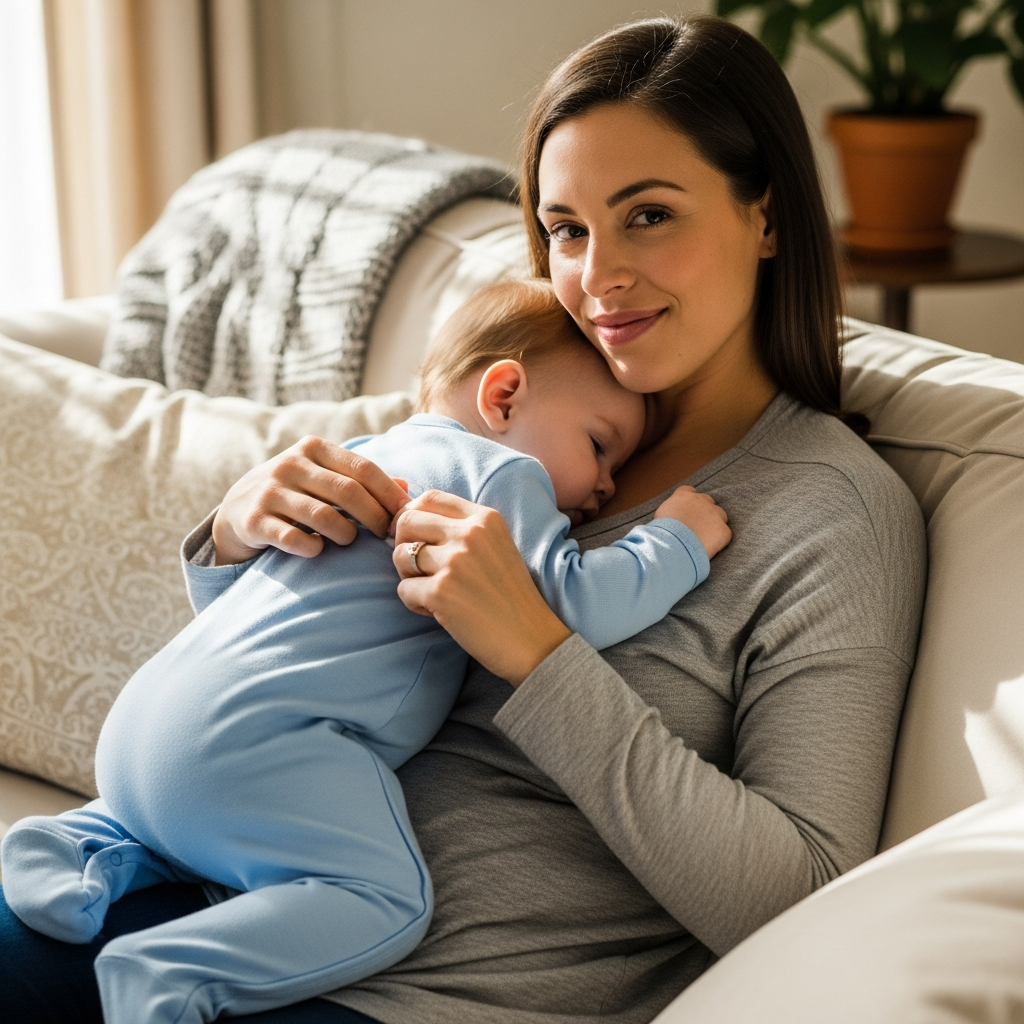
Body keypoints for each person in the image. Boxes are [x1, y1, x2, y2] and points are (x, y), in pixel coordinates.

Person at [0, 14, 926, 1024]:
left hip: (418, 994)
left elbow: (801, 895)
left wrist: (539, 653)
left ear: (766, 217)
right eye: (567, 229)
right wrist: (240, 537)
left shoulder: (832, 512)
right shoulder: (531, 406)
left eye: (649, 214)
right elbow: (312, 641)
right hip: (204, 880)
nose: (597, 277)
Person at [1, 281, 729, 1024]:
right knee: (384, 899)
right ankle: (165, 973)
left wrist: (223, 539)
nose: (605, 486)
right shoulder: (501, 473)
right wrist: (675, 541)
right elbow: (576, 606)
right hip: (259, 745)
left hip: (144, 730)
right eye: (600, 446)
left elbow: (242, 608)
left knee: (190, 823)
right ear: (504, 396)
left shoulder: (366, 456)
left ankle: (68, 847)